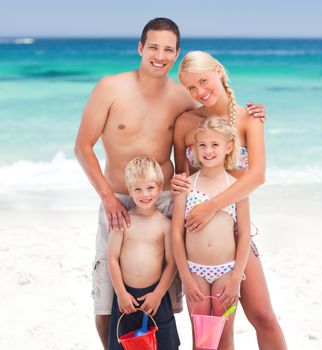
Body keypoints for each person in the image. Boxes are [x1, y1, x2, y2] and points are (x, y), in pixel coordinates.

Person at [74, 18, 265, 349]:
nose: (159, 56)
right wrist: (108, 197)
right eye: (153, 47)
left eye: (167, 50)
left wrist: (253, 115)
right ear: (140, 47)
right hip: (118, 201)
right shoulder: (110, 88)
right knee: (107, 298)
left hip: (165, 200)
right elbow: (82, 147)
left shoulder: (183, 98)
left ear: (176, 55)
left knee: (168, 300)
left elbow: (215, 126)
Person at [172, 51, 287, 349]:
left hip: (236, 233)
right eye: (191, 88)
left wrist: (211, 207)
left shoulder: (250, 118)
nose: (199, 92)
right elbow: (182, 177)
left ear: (219, 72)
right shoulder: (185, 123)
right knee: (216, 332)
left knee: (263, 316)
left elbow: (257, 176)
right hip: (197, 242)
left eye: (203, 81)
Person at [171, 117, 251, 349]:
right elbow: (177, 234)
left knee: (225, 336)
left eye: (215, 145)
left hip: (226, 271)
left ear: (228, 147)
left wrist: (236, 277)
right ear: (194, 149)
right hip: (194, 271)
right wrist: (185, 277)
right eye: (202, 145)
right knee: (201, 338)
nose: (208, 151)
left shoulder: (236, 186)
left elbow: (244, 234)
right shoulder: (186, 186)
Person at [107, 156, 179, 350]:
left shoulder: (165, 224)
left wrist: (158, 293)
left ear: (160, 187)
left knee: (164, 343)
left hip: (155, 296)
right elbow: (112, 258)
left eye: (150, 188)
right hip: (125, 297)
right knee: (124, 343)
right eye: (137, 189)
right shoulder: (124, 221)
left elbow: (172, 263)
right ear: (130, 190)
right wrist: (121, 293)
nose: (144, 194)